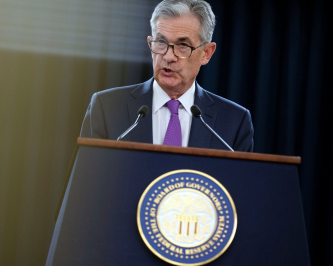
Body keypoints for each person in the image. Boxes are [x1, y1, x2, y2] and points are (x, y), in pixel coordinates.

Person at [80, 0, 254, 152]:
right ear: (150, 44)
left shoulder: (234, 122)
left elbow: (238, 188)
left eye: (183, 45)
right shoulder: (106, 108)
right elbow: (87, 182)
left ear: (206, 53)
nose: (168, 57)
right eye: (161, 42)